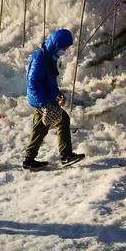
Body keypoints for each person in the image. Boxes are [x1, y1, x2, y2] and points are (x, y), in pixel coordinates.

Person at [24, 29, 85, 171]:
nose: (64, 51)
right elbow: (33, 83)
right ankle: (66, 156)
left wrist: (57, 93)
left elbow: (49, 80)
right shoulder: (40, 57)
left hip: (45, 97)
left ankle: (29, 160)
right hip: (41, 98)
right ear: (57, 44)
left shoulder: (49, 57)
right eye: (63, 48)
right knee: (62, 119)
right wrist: (45, 104)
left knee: (40, 127)